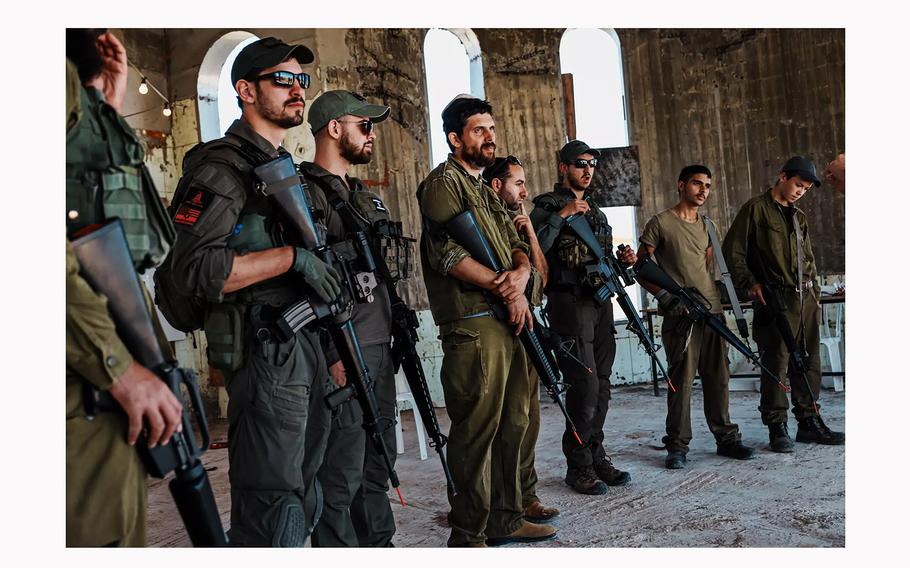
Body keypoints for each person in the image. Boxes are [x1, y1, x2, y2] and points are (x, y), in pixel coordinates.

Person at [155, 36, 342, 546]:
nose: (296, 89)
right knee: (271, 507)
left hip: (302, 348)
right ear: (245, 90)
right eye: (282, 80)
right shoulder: (220, 168)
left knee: (306, 495)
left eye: (301, 80)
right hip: (265, 353)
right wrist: (291, 258)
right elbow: (195, 269)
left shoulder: (287, 172)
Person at [417, 95, 556, 547]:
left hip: (508, 317)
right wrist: (507, 288)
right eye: (479, 130)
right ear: (456, 139)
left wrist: (519, 276)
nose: (489, 137)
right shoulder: (443, 184)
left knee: (515, 423)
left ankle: (506, 518)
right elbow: (448, 254)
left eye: (491, 129)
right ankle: (469, 533)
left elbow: (515, 240)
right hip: (474, 323)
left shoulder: (483, 188)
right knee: (477, 431)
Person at [66, 29, 183, 547]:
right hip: (84, 374)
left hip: (97, 371)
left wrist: (102, 102)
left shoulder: (73, 88)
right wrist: (118, 365)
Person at [298, 89, 399, 547]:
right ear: (334, 128)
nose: (372, 135)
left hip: (378, 345)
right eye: (365, 125)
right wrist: (328, 353)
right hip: (342, 351)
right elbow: (302, 284)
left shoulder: (363, 197)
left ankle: (379, 545)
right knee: (340, 474)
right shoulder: (303, 195)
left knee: (378, 463)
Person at [529, 140, 635, 496]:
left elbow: (598, 261)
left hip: (600, 302)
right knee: (584, 386)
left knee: (603, 383)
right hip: (568, 305)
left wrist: (623, 259)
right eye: (579, 164)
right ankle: (579, 466)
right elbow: (534, 249)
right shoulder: (546, 207)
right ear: (563, 167)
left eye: (592, 164)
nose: (587, 170)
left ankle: (595, 453)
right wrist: (560, 218)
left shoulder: (596, 212)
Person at [722, 156, 845, 452]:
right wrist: (751, 284)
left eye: (805, 188)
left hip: (806, 300)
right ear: (782, 177)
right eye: (798, 185)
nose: (800, 191)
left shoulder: (798, 216)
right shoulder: (755, 210)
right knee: (776, 362)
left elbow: (808, 260)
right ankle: (777, 426)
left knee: (809, 361)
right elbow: (732, 252)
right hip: (775, 299)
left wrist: (814, 290)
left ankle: (808, 421)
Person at [636, 165, 755, 469]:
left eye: (708, 186)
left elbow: (706, 270)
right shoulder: (660, 223)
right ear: (681, 185)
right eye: (696, 184)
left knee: (719, 379)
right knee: (682, 382)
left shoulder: (709, 227)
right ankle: (677, 445)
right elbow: (641, 268)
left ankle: (726, 438)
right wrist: (666, 298)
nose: (703, 190)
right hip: (681, 316)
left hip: (712, 312)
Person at [482, 155, 558, 523]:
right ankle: (503, 504)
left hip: (529, 329)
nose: (525, 191)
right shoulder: (489, 221)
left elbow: (543, 277)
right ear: (497, 186)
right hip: (502, 329)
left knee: (529, 419)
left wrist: (528, 235)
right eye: (518, 183)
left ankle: (526, 495)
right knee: (506, 423)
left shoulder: (516, 225)